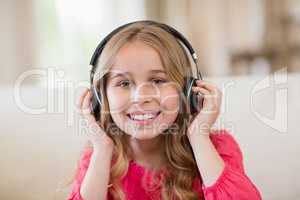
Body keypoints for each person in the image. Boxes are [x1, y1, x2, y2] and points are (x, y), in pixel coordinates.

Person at [67, 21, 262, 200]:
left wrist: (198, 137)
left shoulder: (218, 147)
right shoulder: (99, 156)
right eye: (124, 83)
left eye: (158, 80)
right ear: (100, 99)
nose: (141, 97)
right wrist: (102, 150)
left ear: (188, 90)